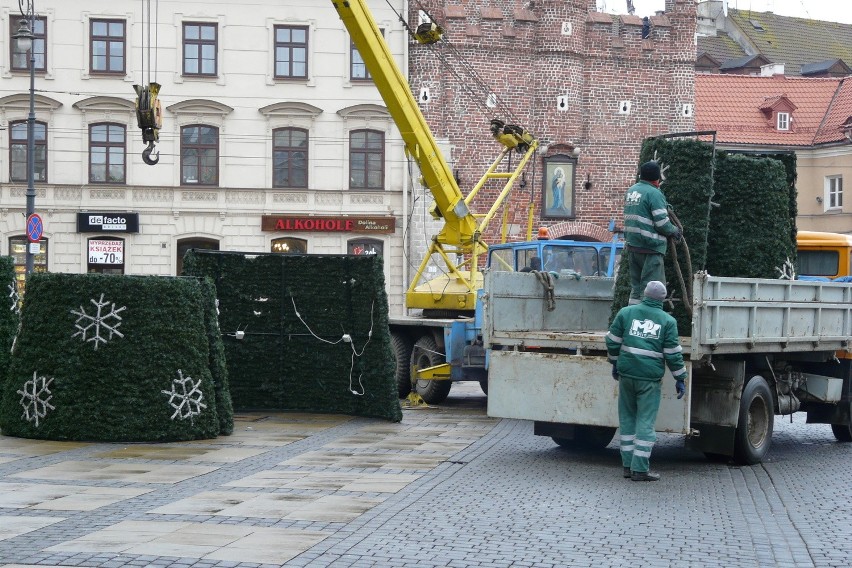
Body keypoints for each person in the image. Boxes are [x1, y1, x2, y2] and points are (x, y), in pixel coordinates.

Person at [606, 280, 687, 482]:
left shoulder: (626, 313)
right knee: (645, 422)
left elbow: (612, 341)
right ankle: (640, 470)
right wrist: (680, 378)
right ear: (662, 299)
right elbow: (673, 354)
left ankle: (627, 466)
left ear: (644, 294)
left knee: (627, 420)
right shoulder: (668, 321)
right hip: (649, 380)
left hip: (627, 376)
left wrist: (615, 363)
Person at [623, 161, 681, 305]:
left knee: (636, 289)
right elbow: (662, 223)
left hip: (633, 247)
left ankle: (633, 319)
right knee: (653, 291)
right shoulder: (654, 193)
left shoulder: (631, 191)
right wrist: (674, 231)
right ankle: (651, 321)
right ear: (656, 179)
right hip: (651, 248)